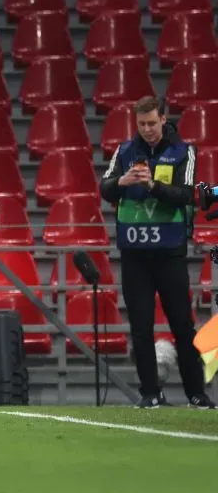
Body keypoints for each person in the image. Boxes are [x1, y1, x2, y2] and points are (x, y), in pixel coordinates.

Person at [100, 95, 215, 409]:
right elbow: (104, 187)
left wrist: (152, 187)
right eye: (141, 124)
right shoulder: (125, 151)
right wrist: (121, 182)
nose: (147, 129)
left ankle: (197, 393)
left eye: (152, 123)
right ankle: (150, 393)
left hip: (169, 254)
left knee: (182, 324)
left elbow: (186, 195)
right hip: (135, 254)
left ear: (164, 119)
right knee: (141, 326)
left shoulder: (183, 152)